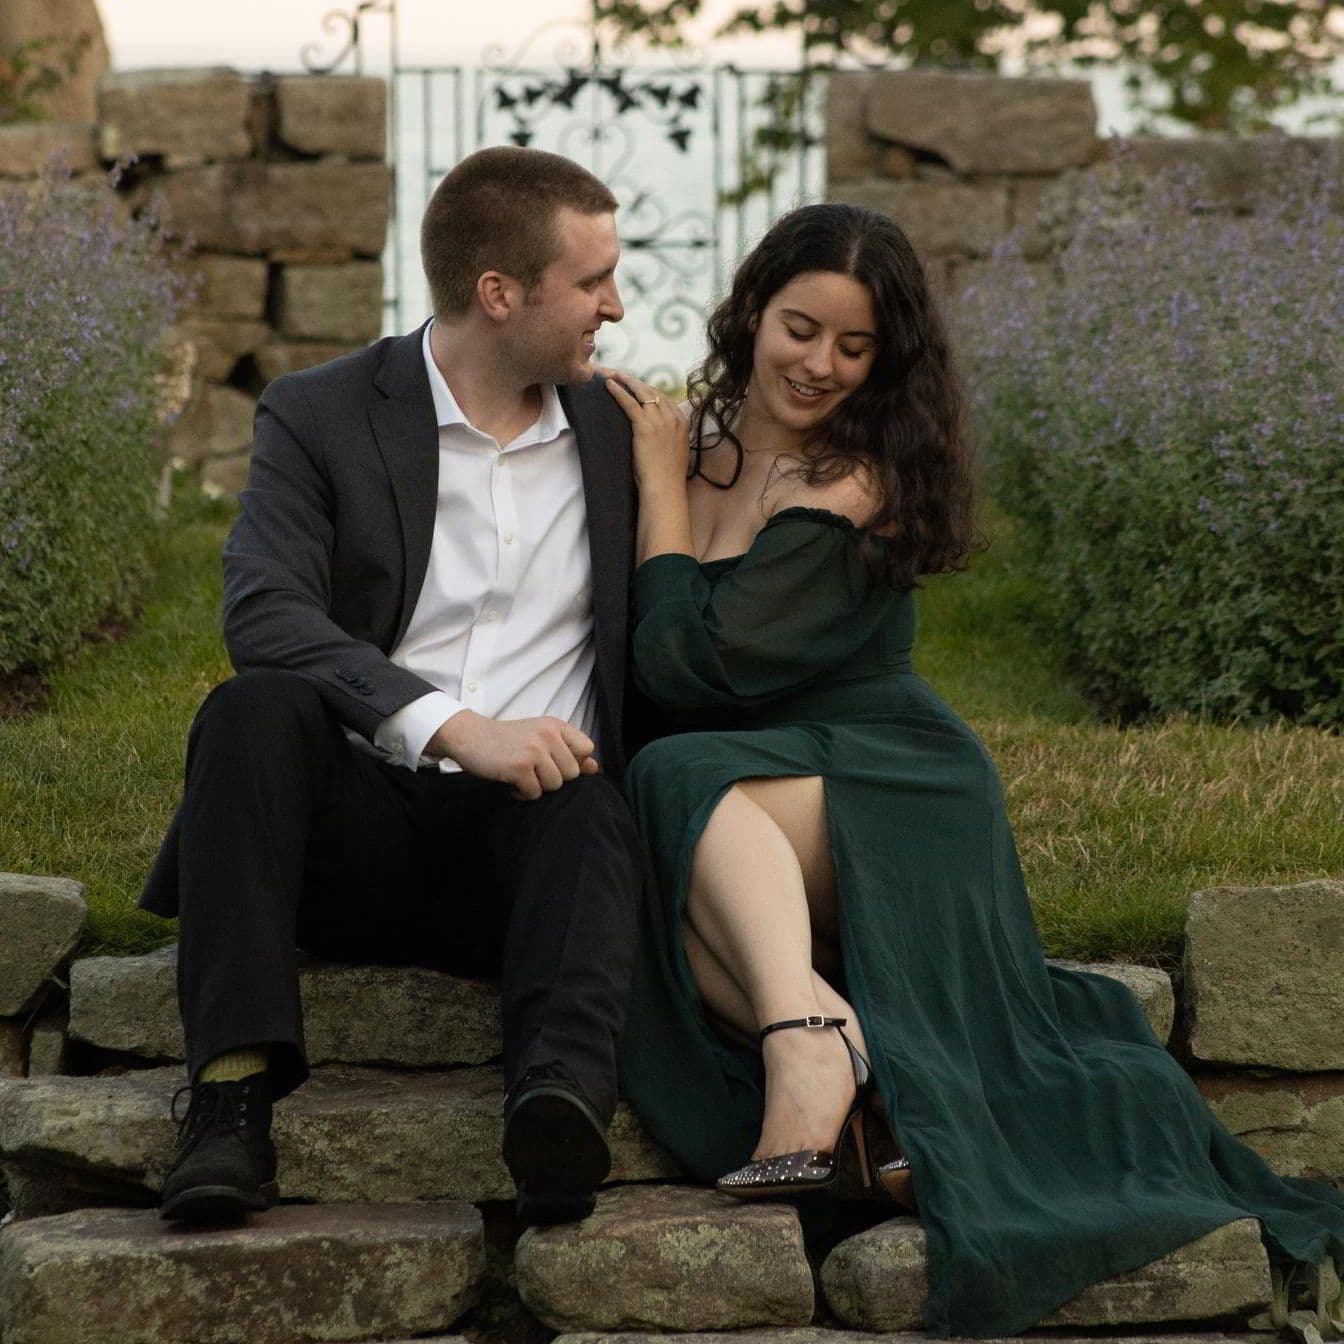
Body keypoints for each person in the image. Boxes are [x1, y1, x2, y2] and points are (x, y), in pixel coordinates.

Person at [602, 202, 1344, 1338]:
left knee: (674, 773)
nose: (821, 366)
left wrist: (660, 489)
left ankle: (808, 1066)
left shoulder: (855, 478)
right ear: (751, 309)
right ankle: (842, 1038)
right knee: (646, 806)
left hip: (889, 782)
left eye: (856, 349)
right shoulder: (683, 438)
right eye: (801, 329)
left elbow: (685, 663)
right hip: (753, 786)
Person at [139, 146, 646, 1229]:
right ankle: (228, 1105)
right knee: (252, 707)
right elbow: (264, 614)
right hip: (352, 834)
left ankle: (558, 1111)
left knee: (593, 798)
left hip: (536, 854)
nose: (618, 303)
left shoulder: (625, 434)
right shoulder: (320, 413)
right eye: (594, 279)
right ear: (499, 293)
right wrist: (457, 728)